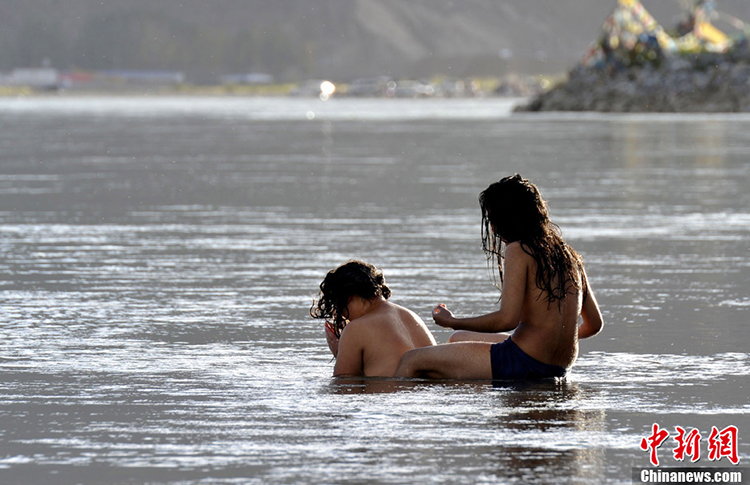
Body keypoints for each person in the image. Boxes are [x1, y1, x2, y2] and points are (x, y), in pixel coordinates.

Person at [395, 174, 603, 381]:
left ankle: (392, 406)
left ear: (506, 219)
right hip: (559, 367)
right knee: (458, 339)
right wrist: (554, 336)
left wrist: (452, 321)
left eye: (493, 219)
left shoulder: (519, 249)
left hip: (523, 361)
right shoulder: (569, 255)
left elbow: (507, 319)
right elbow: (594, 324)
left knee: (412, 360)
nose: (492, 228)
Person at [310, 260, 436, 377]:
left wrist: (341, 354)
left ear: (347, 299)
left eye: (338, 308)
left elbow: (344, 389)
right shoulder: (412, 316)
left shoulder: (356, 329)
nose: (343, 316)